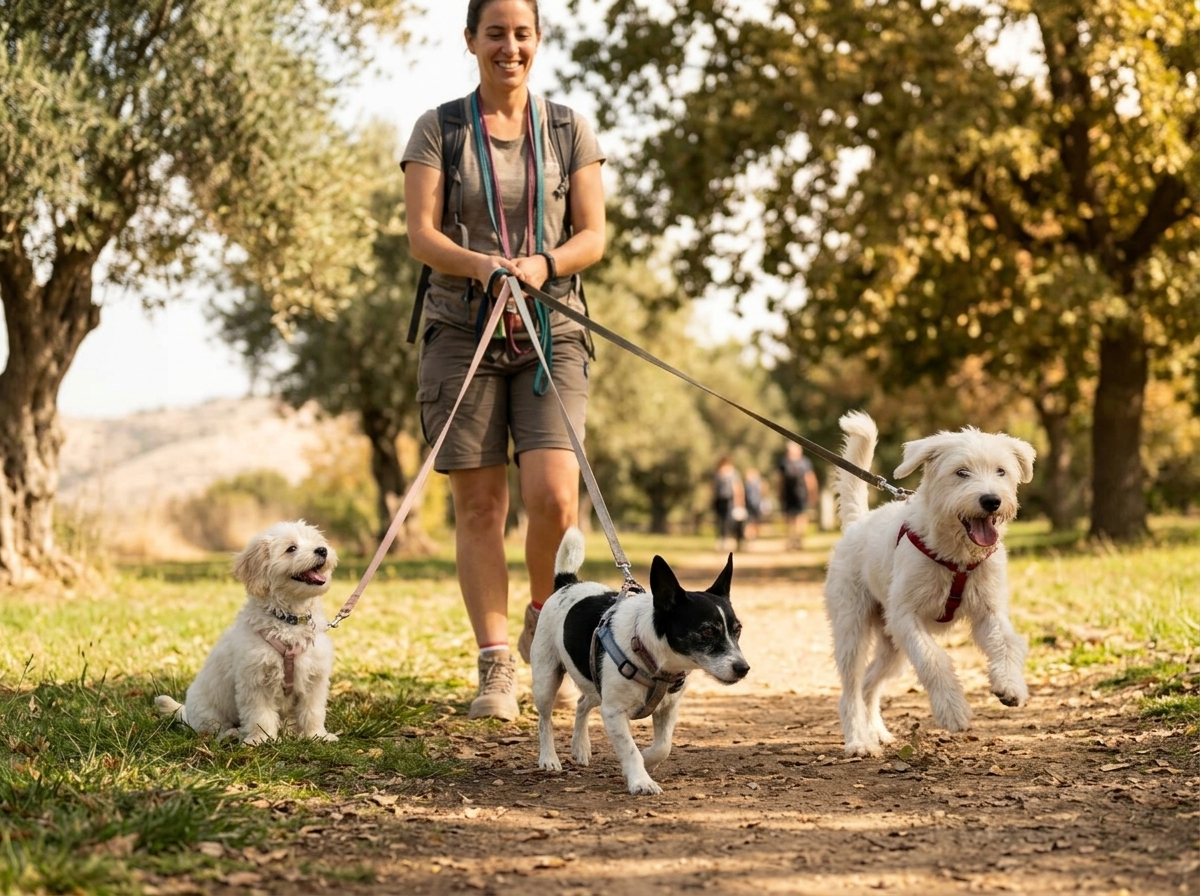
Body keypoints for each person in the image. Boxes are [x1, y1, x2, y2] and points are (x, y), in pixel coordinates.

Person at [402, 0, 606, 720]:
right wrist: (483, 264)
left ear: (538, 42)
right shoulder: (440, 127)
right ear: (471, 41)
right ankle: (494, 667)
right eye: (495, 34)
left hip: (553, 330)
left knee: (554, 497)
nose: (509, 47)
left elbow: (593, 235)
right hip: (463, 333)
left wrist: (544, 264)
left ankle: (541, 619)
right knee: (481, 505)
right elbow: (422, 237)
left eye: (522, 34)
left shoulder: (569, 127)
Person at [777, 442, 818, 550]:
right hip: (793, 494)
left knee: (797, 517)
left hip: (797, 494)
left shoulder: (800, 462)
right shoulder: (789, 462)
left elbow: (809, 479)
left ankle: (796, 540)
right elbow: (780, 480)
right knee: (794, 518)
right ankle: (794, 540)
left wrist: (812, 493)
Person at [712, 456, 743, 552]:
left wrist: (739, 501)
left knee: (730, 521)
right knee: (721, 521)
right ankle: (723, 539)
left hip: (730, 500)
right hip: (720, 500)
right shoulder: (717, 474)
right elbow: (713, 488)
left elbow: (737, 487)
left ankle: (737, 540)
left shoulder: (733, 474)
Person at [742, 467, 764, 543]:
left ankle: (752, 536)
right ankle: (748, 537)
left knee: (755, 521)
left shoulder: (756, 483)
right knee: (749, 522)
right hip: (749, 506)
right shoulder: (746, 485)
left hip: (756, 505)